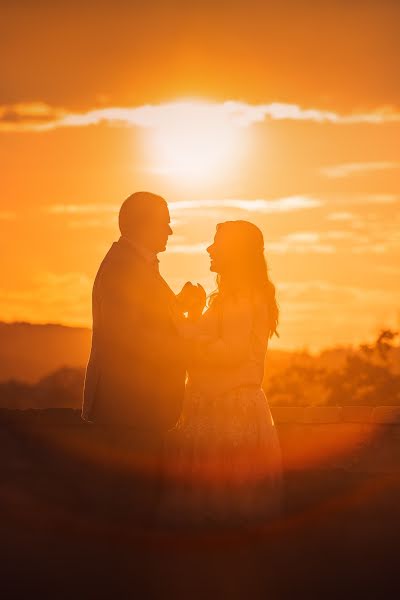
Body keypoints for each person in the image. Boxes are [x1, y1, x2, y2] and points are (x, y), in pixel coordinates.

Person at [163, 220, 282, 528]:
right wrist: (193, 314)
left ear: (236, 252)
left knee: (223, 510)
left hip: (228, 411)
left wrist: (182, 325)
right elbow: (211, 342)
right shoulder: (231, 297)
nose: (210, 249)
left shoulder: (245, 297)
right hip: (214, 407)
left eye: (217, 243)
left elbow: (231, 353)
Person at [81, 191, 191, 524]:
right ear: (144, 224)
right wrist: (190, 350)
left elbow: (147, 320)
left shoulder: (135, 264)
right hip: (130, 408)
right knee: (132, 510)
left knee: (138, 507)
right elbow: (129, 337)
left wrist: (182, 306)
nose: (170, 230)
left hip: (137, 410)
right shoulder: (123, 267)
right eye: (166, 221)